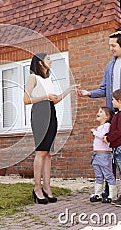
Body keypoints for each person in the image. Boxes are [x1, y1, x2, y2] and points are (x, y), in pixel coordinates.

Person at [77, 31, 121, 201]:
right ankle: (110, 190)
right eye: (109, 45)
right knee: (111, 151)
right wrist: (88, 93)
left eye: (113, 45)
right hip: (113, 113)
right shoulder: (109, 66)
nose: (111, 49)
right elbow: (104, 89)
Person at [23, 53, 77, 204]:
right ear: (41, 63)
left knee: (48, 153)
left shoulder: (49, 79)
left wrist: (70, 90)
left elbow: (55, 99)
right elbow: (26, 100)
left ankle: (47, 187)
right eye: (48, 59)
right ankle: (37, 188)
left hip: (51, 112)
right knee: (41, 152)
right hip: (39, 113)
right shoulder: (33, 78)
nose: (51, 61)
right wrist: (45, 96)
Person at [89, 107, 117, 203]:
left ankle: (113, 194)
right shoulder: (99, 127)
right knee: (98, 175)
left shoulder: (107, 126)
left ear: (107, 116)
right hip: (96, 154)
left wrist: (94, 132)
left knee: (108, 174)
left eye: (101, 112)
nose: (98, 113)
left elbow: (104, 137)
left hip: (104, 154)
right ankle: (98, 193)